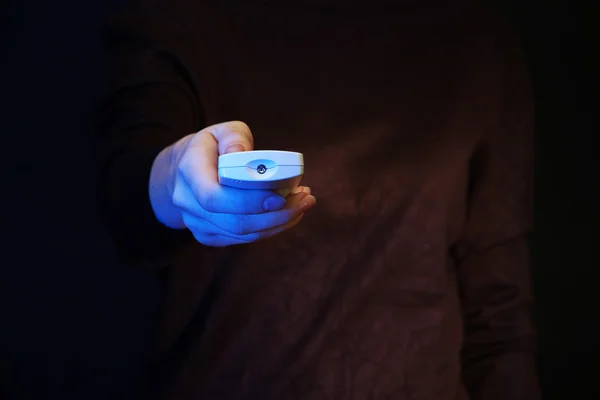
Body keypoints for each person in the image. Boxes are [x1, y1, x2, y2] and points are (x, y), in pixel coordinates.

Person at [96, 0, 539, 398]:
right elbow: (130, 198)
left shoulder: (475, 41)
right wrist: (177, 175)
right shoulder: (179, 20)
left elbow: (497, 308)